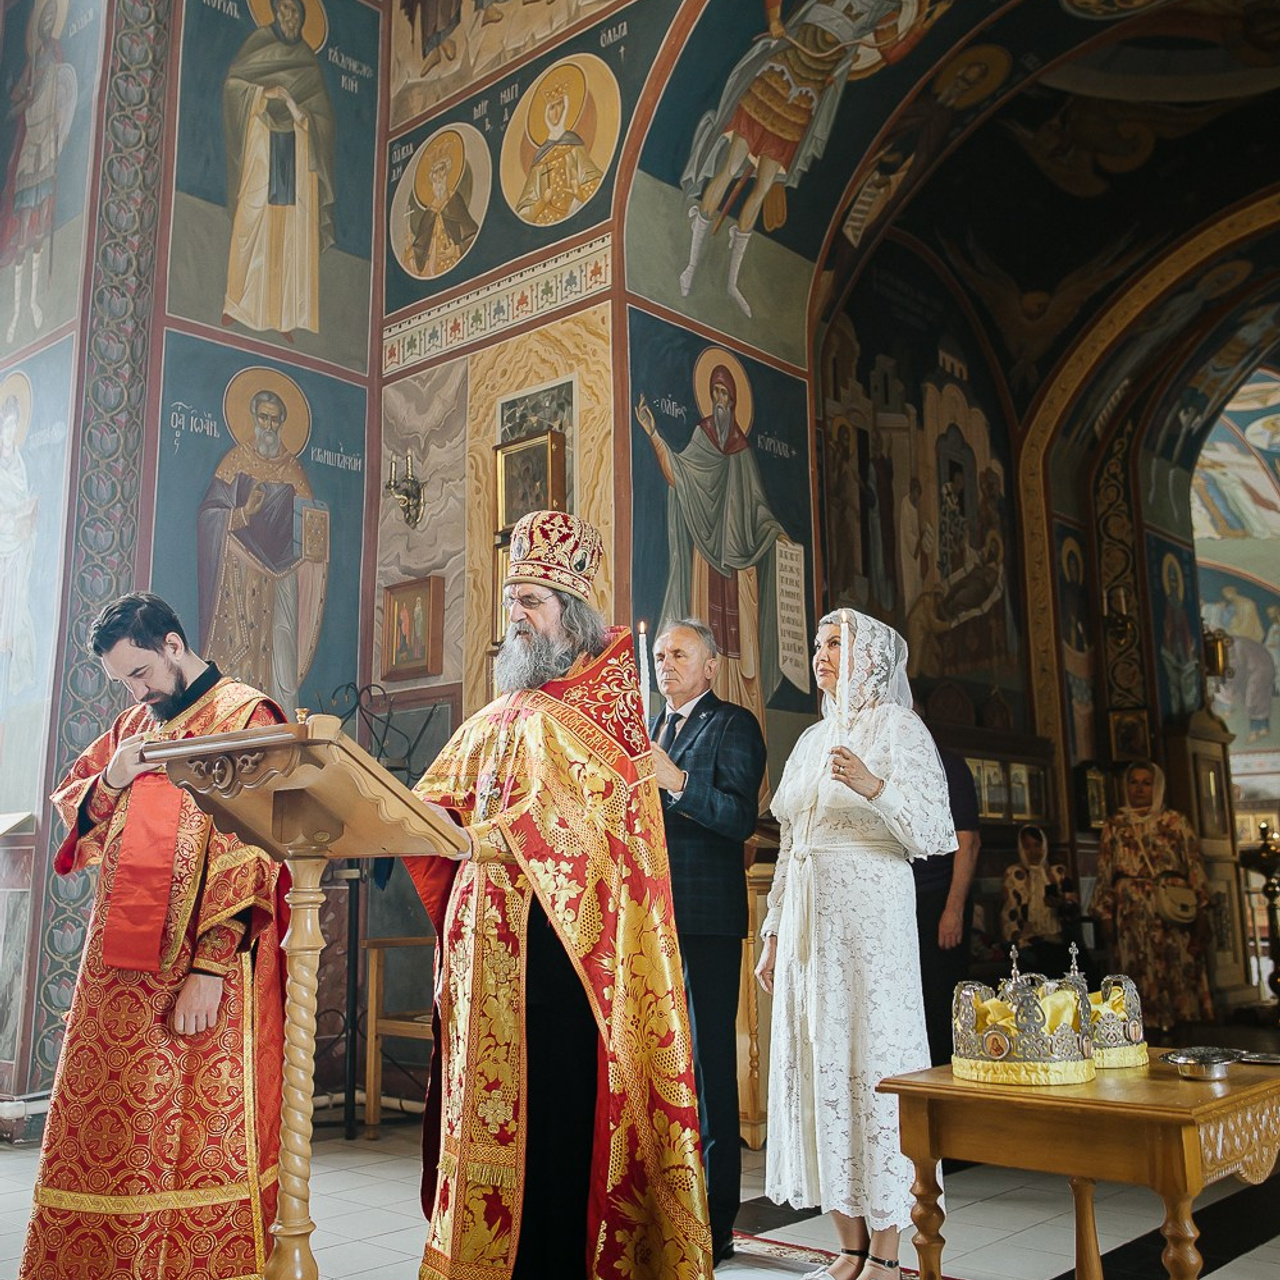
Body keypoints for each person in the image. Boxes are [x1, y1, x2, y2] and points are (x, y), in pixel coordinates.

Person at [404, 511, 712, 1280]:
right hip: (490, 972)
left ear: (571, 616)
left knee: (563, 1122)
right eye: (512, 600)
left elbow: (601, 847)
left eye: (533, 600)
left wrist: (496, 839)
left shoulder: (607, 722)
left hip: (572, 969)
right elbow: (429, 812)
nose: (517, 615)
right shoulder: (505, 710)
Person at [18, 593, 287, 1280]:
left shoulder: (245, 716)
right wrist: (114, 774)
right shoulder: (135, 723)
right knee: (114, 1129)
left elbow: (252, 849)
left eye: (139, 672)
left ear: (173, 645)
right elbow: (81, 811)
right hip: (116, 972)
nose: (135, 691)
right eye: (123, 682)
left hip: (198, 972)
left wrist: (211, 967)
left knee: (188, 1129)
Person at [755, 609, 956, 1280]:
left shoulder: (900, 728)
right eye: (817, 643)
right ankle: (846, 1245)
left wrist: (873, 784)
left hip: (871, 923)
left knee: (873, 1065)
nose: (822, 654)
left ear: (868, 653)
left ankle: (889, 1250)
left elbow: (933, 830)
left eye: (835, 642)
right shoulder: (811, 740)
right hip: (811, 925)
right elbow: (792, 844)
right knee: (819, 1067)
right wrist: (774, 931)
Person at [651, 617, 768, 1266]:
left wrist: (676, 783)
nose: (666, 664)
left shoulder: (733, 725)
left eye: (680, 654)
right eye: (661, 654)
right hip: (650, 924)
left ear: (711, 665)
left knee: (709, 1073)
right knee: (657, 1071)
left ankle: (717, 1222)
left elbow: (737, 818)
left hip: (707, 922)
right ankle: (665, 1207)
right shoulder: (651, 729)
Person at [197, 382, 328, 717]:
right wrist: (245, 512)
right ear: (254, 418)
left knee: (282, 645)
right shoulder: (235, 461)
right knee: (243, 650)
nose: (269, 426)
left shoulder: (293, 468)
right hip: (241, 570)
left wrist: (315, 530)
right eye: (264, 418)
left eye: (275, 420)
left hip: (283, 571)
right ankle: (238, 718)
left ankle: (280, 718)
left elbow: (308, 520)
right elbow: (210, 516)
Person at [222, 0, 336, 338]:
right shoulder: (257, 45)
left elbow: (323, 118)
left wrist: (302, 116)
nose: (291, 16)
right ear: (273, 10)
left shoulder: (308, 63)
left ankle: (285, 316)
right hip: (262, 148)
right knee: (253, 225)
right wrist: (262, 93)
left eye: (296, 11)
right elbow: (233, 87)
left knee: (290, 235)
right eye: (285, 9)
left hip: (296, 155)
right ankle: (238, 304)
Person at [1088, 761, 1215, 1034]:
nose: (1140, 789)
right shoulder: (1116, 825)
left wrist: (1202, 911)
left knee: (1176, 967)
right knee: (1136, 970)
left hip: (1171, 908)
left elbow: (1193, 865)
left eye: (1147, 783)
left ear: (1157, 787)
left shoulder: (1175, 822)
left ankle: (1180, 1030)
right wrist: (1106, 914)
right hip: (1132, 913)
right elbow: (1105, 871)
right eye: (1134, 782)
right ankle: (1146, 1031)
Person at [2, 0, 76, 343]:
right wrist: (22, 99)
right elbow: (16, 103)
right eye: (43, 18)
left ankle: (33, 303)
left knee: (40, 226)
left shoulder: (57, 57)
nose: (47, 22)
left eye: (51, 17)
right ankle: (14, 312)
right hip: (31, 146)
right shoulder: (33, 63)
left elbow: (64, 90)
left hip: (47, 145)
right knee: (24, 223)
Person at [912, 741, 980, 1066]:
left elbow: (968, 842)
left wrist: (953, 910)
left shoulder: (948, 763)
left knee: (942, 1004)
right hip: (898, 901)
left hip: (938, 898)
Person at [514, 70, 603, 226]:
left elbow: (595, 181)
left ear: (566, 108)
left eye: (559, 106)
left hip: (575, 212)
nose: (555, 113)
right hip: (545, 220)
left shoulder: (574, 146)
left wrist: (579, 191)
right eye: (551, 108)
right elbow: (523, 208)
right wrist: (542, 202)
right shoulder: (540, 158)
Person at [1001, 824, 1079, 977]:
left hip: (1057, 938)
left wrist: (1060, 904)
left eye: (1037, 845)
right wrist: (1019, 935)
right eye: (1027, 847)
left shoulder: (1058, 873)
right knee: (1038, 961)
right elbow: (1010, 912)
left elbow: (1073, 908)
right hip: (1027, 941)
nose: (1033, 852)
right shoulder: (1015, 874)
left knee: (1070, 960)